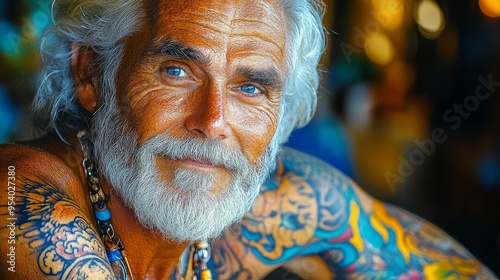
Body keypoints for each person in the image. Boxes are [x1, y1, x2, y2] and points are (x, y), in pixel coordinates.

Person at [0, 0, 497, 279]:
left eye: (250, 87)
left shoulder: (286, 206)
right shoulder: (29, 209)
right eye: (176, 70)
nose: (213, 121)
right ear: (91, 73)